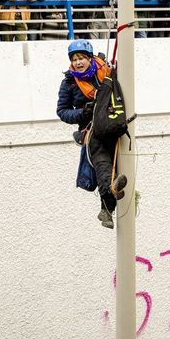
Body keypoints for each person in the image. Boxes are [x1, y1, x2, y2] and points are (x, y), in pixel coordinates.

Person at [56, 40, 129, 229]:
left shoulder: (105, 71)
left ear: (90, 59)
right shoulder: (69, 84)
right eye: (74, 60)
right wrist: (83, 113)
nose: (78, 63)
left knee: (112, 162)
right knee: (102, 159)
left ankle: (106, 208)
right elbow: (62, 111)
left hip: (112, 121)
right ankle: (111, 190)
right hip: (92, 128)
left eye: (81, 58)